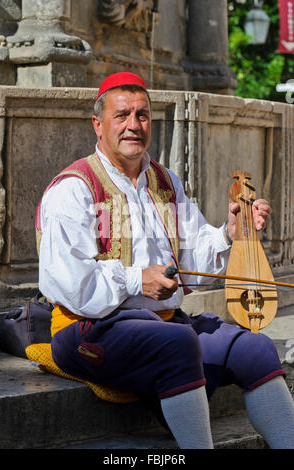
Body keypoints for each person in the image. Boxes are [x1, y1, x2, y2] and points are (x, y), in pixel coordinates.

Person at [37, 72, 294, 449]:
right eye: (121, 115)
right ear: (98, 125)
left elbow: (194, 255)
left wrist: (230, 234)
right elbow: (71, 284)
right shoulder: (73, 188)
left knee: (256, 348)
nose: (133, 126)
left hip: (164, 325)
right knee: (176, 343)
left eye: (142, 116)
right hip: (86, 330)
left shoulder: (165, 181)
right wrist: (137, 281)